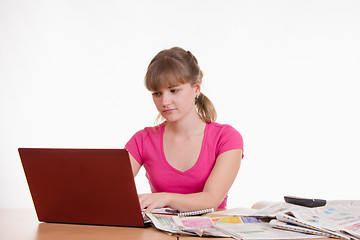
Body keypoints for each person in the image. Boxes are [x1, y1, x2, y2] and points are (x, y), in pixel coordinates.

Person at [125, 47, 243, 214]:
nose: (165, 101)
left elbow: (212, 199)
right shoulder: (142, 140)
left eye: (174, 90)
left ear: (196, 88)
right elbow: (113, 189)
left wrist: (166, 198)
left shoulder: (226, 138)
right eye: (157, 93)